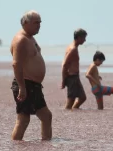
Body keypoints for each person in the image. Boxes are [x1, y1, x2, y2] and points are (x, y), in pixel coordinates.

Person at [10, 10, 52, 140]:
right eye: (36, 23)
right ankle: (15, 147)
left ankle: (46, 143)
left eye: (40, 23)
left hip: (33, 85)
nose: (39, 25)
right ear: (26, 23)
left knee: (46, 116)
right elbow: (16, 64)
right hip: (25, 83)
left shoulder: (30, 37)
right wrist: (22, 88)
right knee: (23, 119)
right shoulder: (21, 40)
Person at [61, 28, 88, 109]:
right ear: (79, 37)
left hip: (75, 77)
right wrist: (63, 80)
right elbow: (65, 64)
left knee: (82, 97)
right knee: (70, 101)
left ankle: (74, 110)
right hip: (72, 78)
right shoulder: (72, 49)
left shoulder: (73, 47)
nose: (85, 40)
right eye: (84, 38)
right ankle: (66, 116)